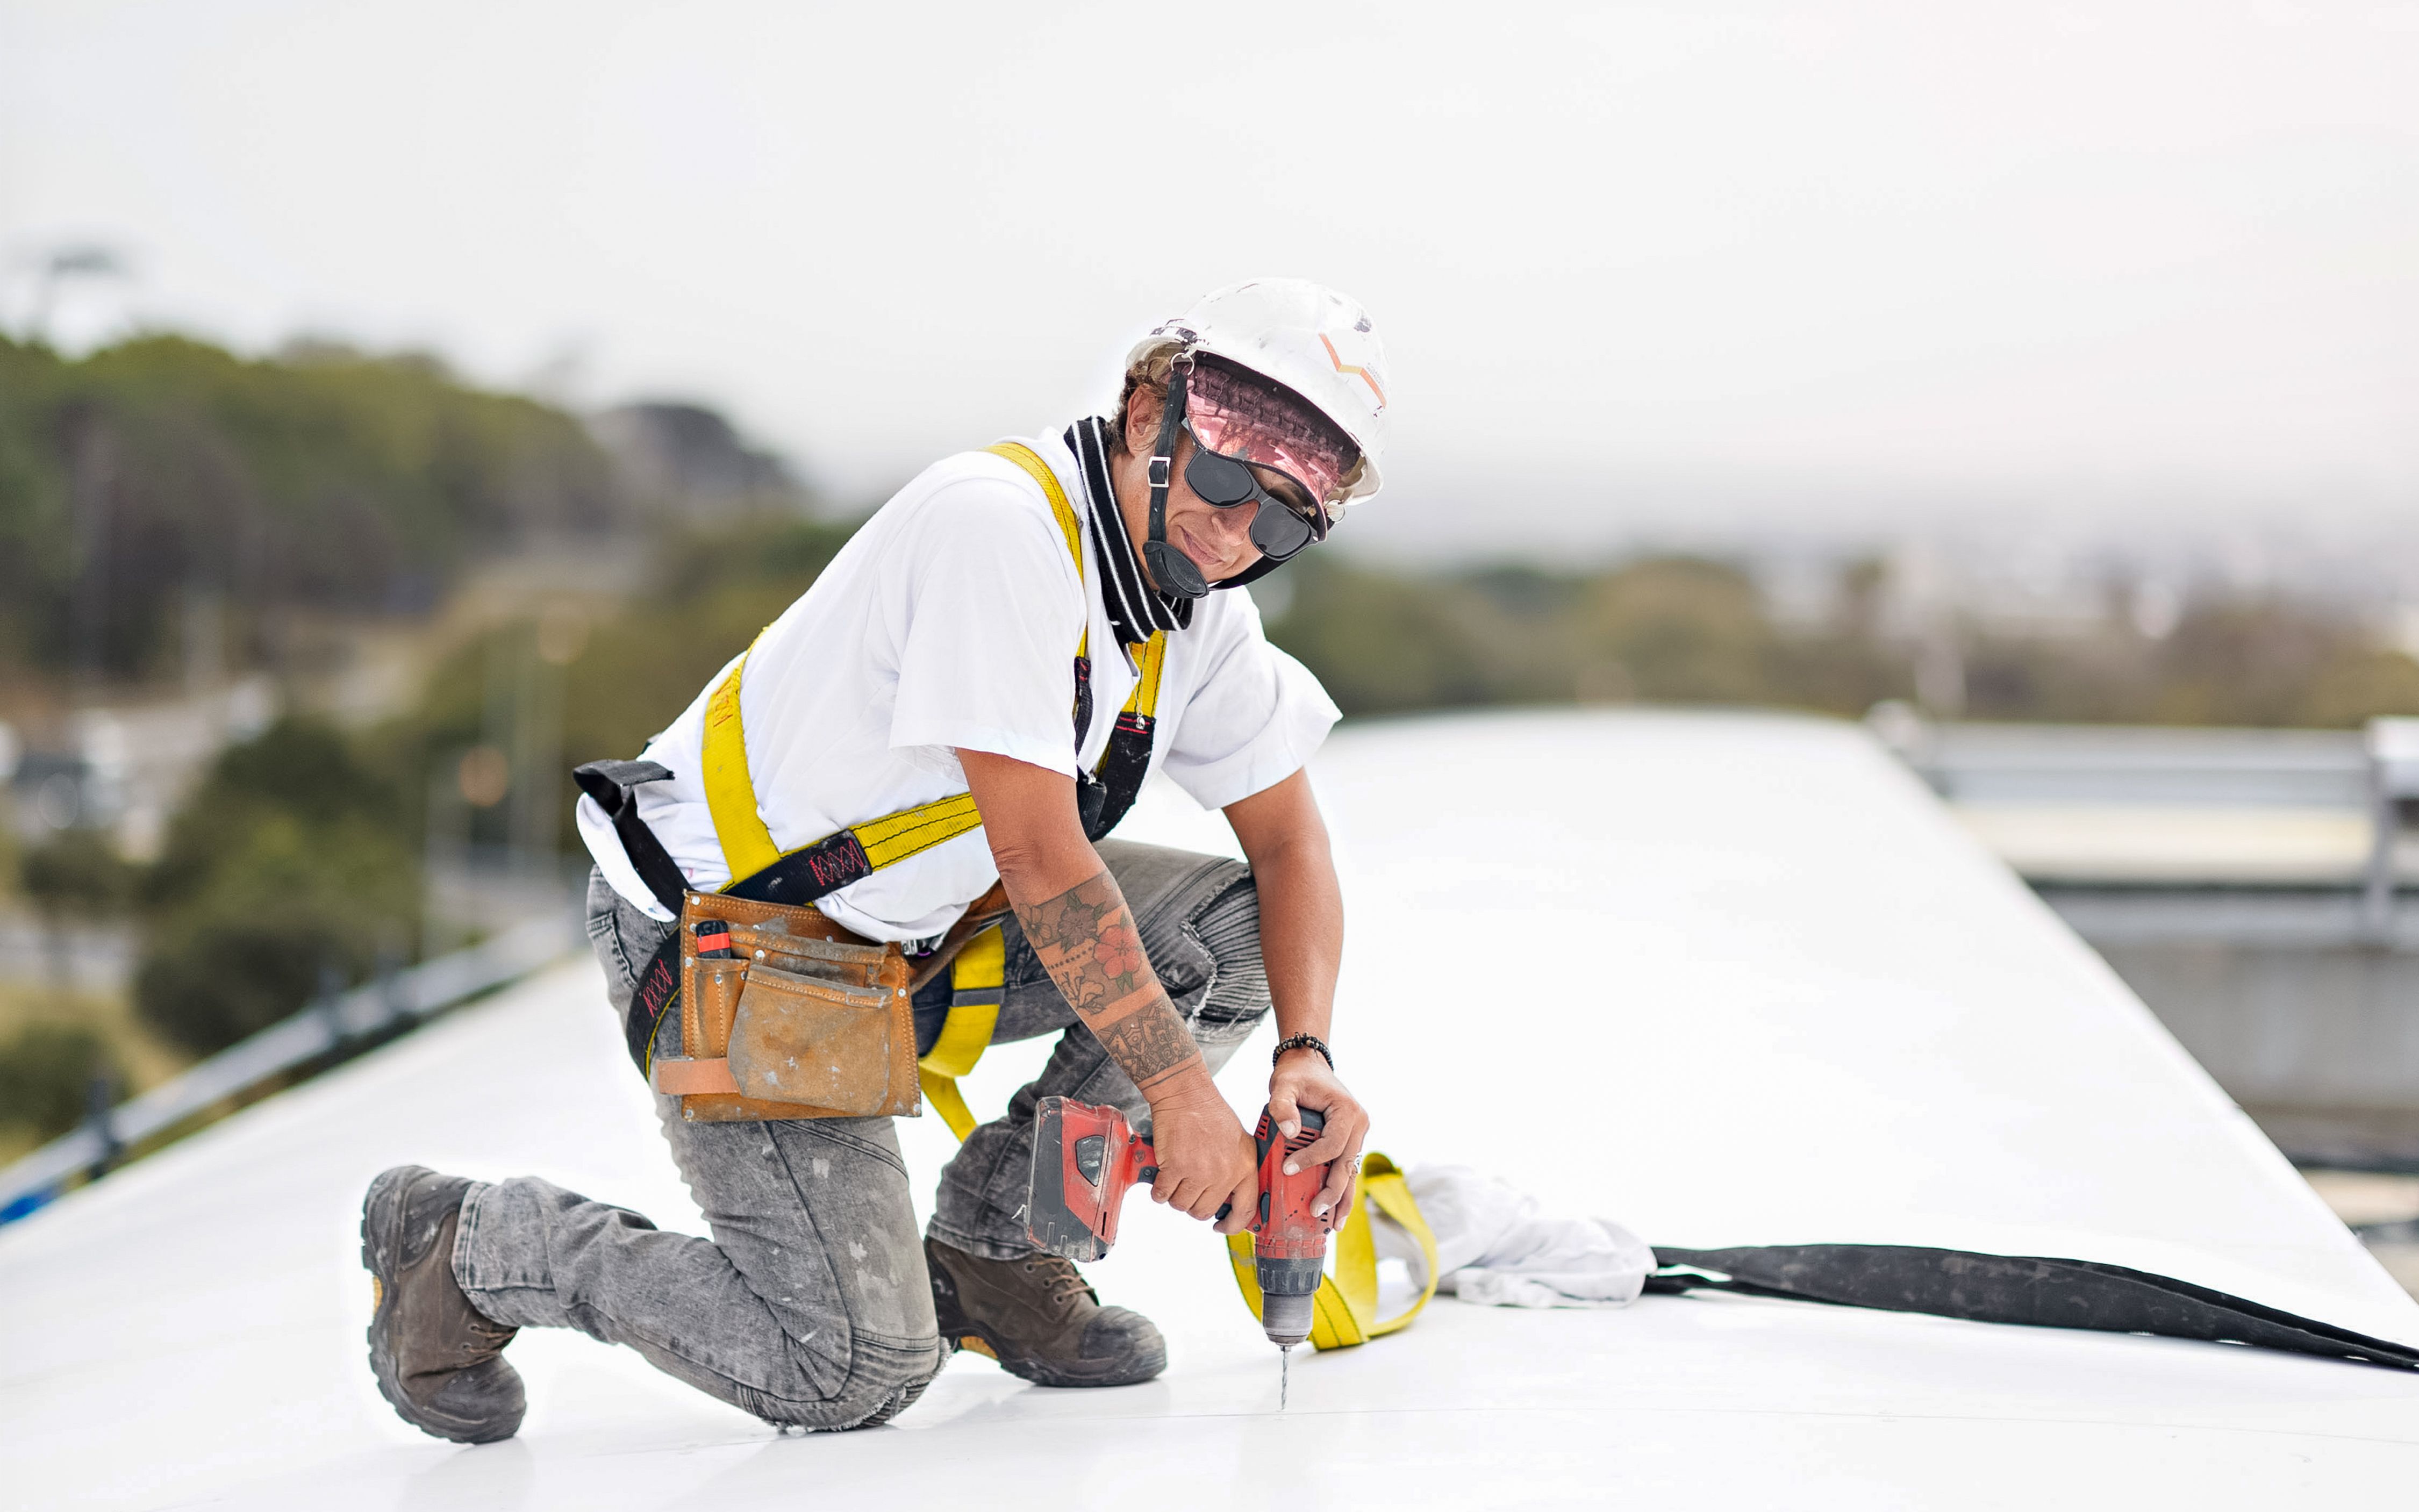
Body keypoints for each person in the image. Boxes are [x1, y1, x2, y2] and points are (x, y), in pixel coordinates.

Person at [360, 278, 1391, 1442]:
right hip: (741, 943)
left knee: (1239, 937)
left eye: (1287, 522)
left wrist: (1308, 1056)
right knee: (849, 1367)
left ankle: (998, 1249)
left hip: (918, 937)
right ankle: (475, 1244)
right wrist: (1181, 1095)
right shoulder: (996, 528)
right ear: (1149, 412)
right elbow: (1044, 860)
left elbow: (1292, 839)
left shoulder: (1192, 608)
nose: (1238, 530)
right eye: (1222, 480)